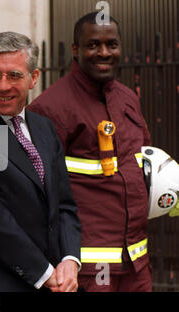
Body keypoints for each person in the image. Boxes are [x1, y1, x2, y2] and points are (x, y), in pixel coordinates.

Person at [0, 31, 81, 292]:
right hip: (1, 282)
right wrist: (43, 273)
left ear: (34, 78)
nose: (3, 86)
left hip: (59, 279)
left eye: (14, 75)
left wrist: (70, 259)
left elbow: (64, 203)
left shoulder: (45, 128)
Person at [29, 12, 152, 291]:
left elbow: (142, 164)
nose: (104, 52)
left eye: (112, 44)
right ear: (76, 49)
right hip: (88, 268)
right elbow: (36, 193)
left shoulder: (128, 99)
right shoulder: (50, 107)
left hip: (136, 262)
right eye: (93, 44)